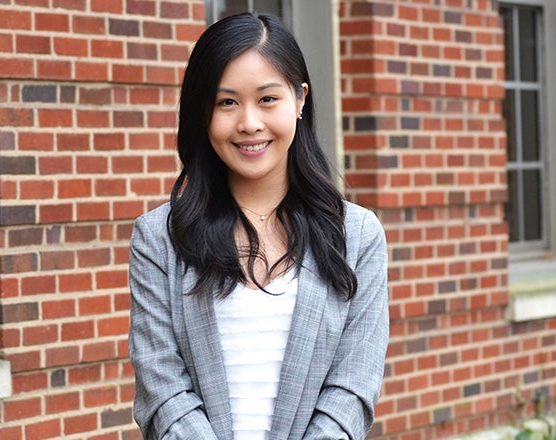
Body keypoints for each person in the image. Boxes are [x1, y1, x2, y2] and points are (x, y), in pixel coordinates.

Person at [128, 12, 389, 440]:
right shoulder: (160, 238)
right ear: (203, 112)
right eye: (226, 102)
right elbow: (162, 388)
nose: (249, 122)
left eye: (267, 99)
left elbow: (353, 386)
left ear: (300, 99)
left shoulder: (357, 236)